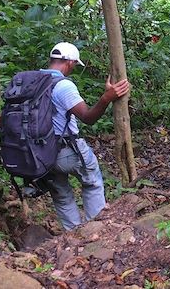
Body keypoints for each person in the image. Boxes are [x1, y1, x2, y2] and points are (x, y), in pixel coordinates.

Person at [41, 42, 130, 230]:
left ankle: (72, 236)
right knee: (92, 181)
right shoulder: (63, 86)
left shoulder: (32, 82)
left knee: (61, 194)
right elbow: (88, 117)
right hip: (65, 150)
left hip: (39, 153)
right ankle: (95, 232)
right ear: (70, 62)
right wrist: (107, 97)